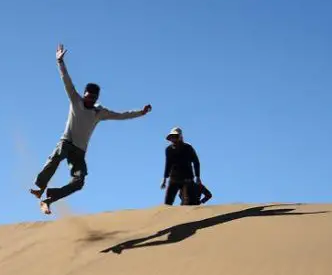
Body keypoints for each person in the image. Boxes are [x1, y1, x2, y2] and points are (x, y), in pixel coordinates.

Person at [30, 43, 153, 215]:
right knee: (55, 158)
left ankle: (50, 198)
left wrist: (141, 112)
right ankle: (40, 187)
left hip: (80, 151)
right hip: (67, 142)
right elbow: (66, 80)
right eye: (87, 97)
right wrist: (60, 62)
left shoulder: (99, 112)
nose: (89, 101)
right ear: (84, 94)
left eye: (92, 99)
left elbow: (121, 115)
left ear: (96, 98)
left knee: (79, 182)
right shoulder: (76, 100)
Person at [161, 127, 204, 206]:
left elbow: (196, 162)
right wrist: (164, 179)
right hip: (174, 179)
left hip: (187, 179)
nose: (173, 139)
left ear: (180, 137)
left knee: (188, 202)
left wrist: (197, 176)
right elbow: (168, 164)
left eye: (175, 137)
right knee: (167, 203)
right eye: (172, 137)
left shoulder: (188, 148)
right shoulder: (168, 150)